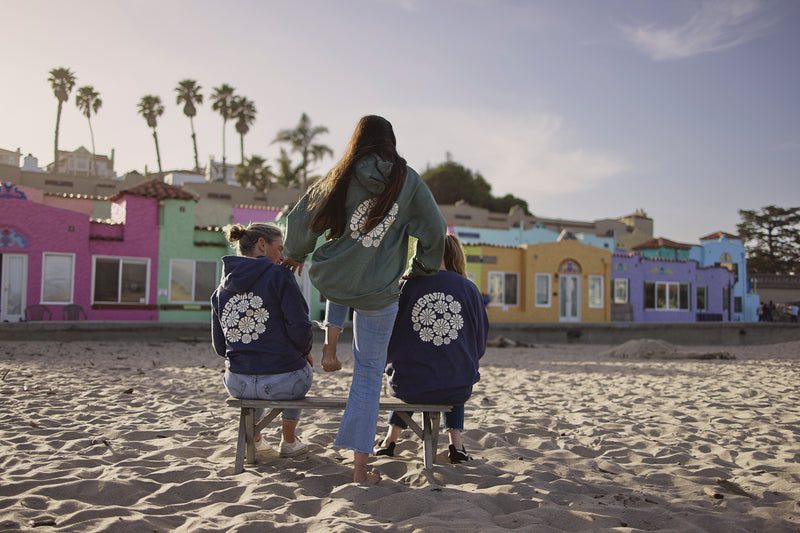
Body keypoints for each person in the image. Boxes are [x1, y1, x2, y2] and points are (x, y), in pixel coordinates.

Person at [283, 115, 446, 484]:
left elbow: (302, 216)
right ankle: (359, 470)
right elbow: (436, 229)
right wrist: (422, 267)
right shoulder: (409, 181)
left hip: (337, 279)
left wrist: (295, 251)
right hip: (380, 292)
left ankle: (330, 345)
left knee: (342, 290)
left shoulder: (341, 174)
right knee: (369, 375)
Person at [375, 234, 489, 464]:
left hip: (407, 385)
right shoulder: (469, 288)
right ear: (456, 255)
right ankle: (456, 445)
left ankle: (389, 442)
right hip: (456, 386)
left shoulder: (404, 286)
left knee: (410, 375)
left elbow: (385, 335)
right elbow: (480, 341)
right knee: (454, 371)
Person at [211, 222, 314, 458]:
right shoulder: (280, 276)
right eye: (280, 248)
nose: (283, 256)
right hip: (283, 382)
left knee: (256, 376)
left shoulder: (221, 288)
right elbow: (299, 327)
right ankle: (288, 441)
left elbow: (220, 347)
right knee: (303, 370)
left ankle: (255, 438)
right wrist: (305, 352)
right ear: (262, 244)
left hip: (237, 383)